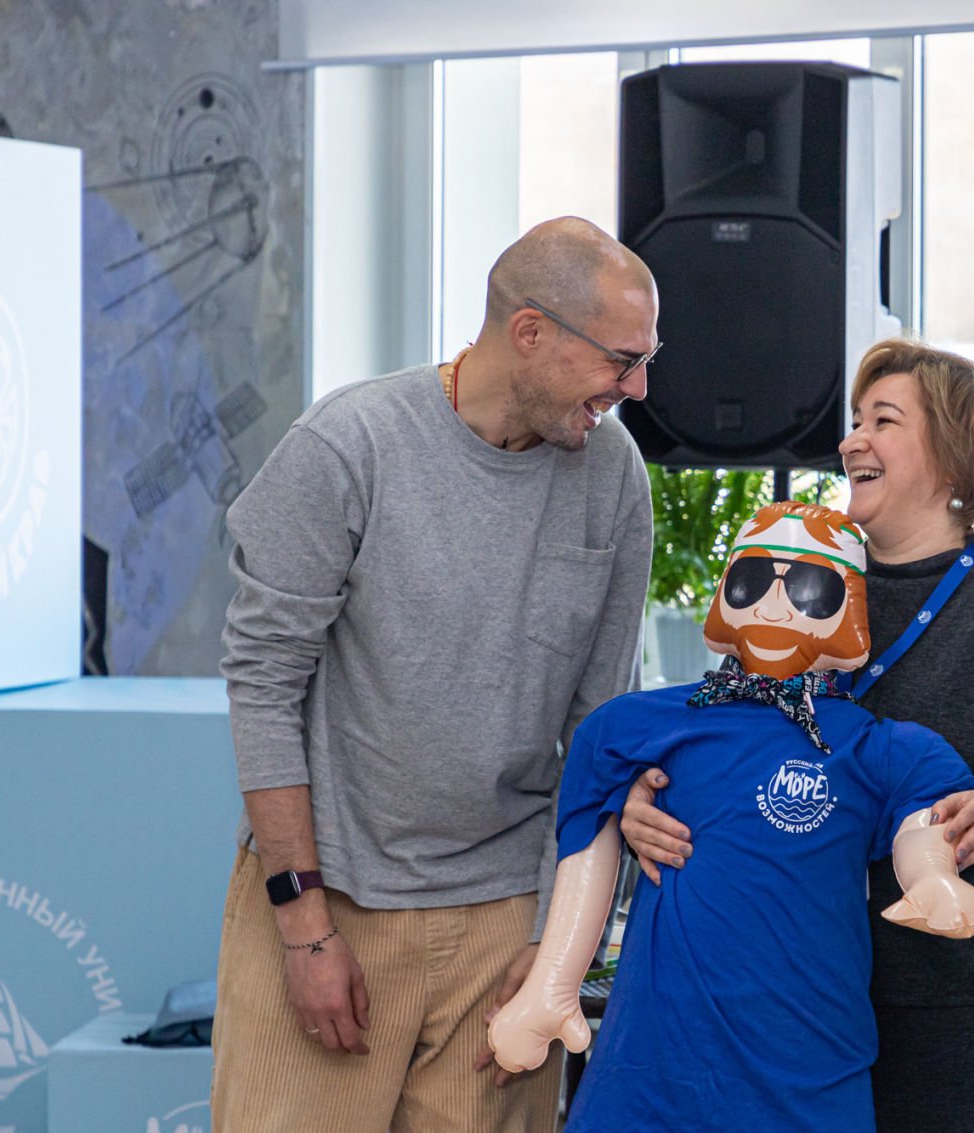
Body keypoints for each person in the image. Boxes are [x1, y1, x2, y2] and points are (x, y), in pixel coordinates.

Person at [211, 216, 659, 1132]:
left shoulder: (614, 477)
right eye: (622, 360)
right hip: (333, 900)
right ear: (529, 331)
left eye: (649, 359)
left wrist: (557, 939)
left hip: (504, 924)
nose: (638, 389)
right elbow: (263, 684)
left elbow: (601, 727)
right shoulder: (347, 445)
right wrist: (303, 927)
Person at [622, 338, 974, 1132]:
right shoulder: (785, 598)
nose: (852, 440)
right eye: (855, 420)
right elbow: (717, 756)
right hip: (792, 1006)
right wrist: (647, 806)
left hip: (968, 1031)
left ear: (955, 462)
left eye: (883, 421)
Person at [486, 500, 974, 1131]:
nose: (777, 608)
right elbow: (589, 824)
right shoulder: (642, 726)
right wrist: (552, 983)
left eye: (810, 589)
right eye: (754, 583)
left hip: (804, 1065)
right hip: (651, 1064)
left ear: (849, 608)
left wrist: (932, 875)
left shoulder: (871, 746)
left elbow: (927, 808)